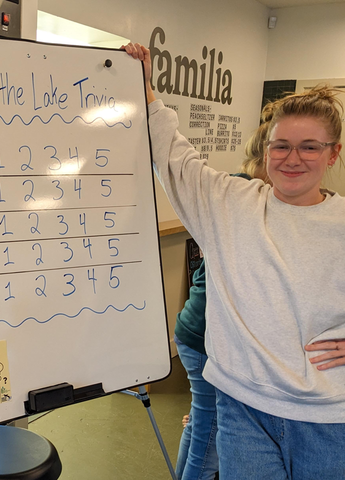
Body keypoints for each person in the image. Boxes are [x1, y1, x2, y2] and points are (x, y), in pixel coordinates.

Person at [124, 42, 345, 479]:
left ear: (333, 154)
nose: (292, 158)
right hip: (242, 408)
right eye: (281, 146)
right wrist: (143, 88)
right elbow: (174, 156)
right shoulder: (229, 203)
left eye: (309, 147)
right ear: (266, 151)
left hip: (327, 416)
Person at [174, 105, 273, 480]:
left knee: (201, 425)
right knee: (210, 439)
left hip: (196, 331)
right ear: (266, 156)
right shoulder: (241, 195)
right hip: (205, 336)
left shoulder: (251, 195)